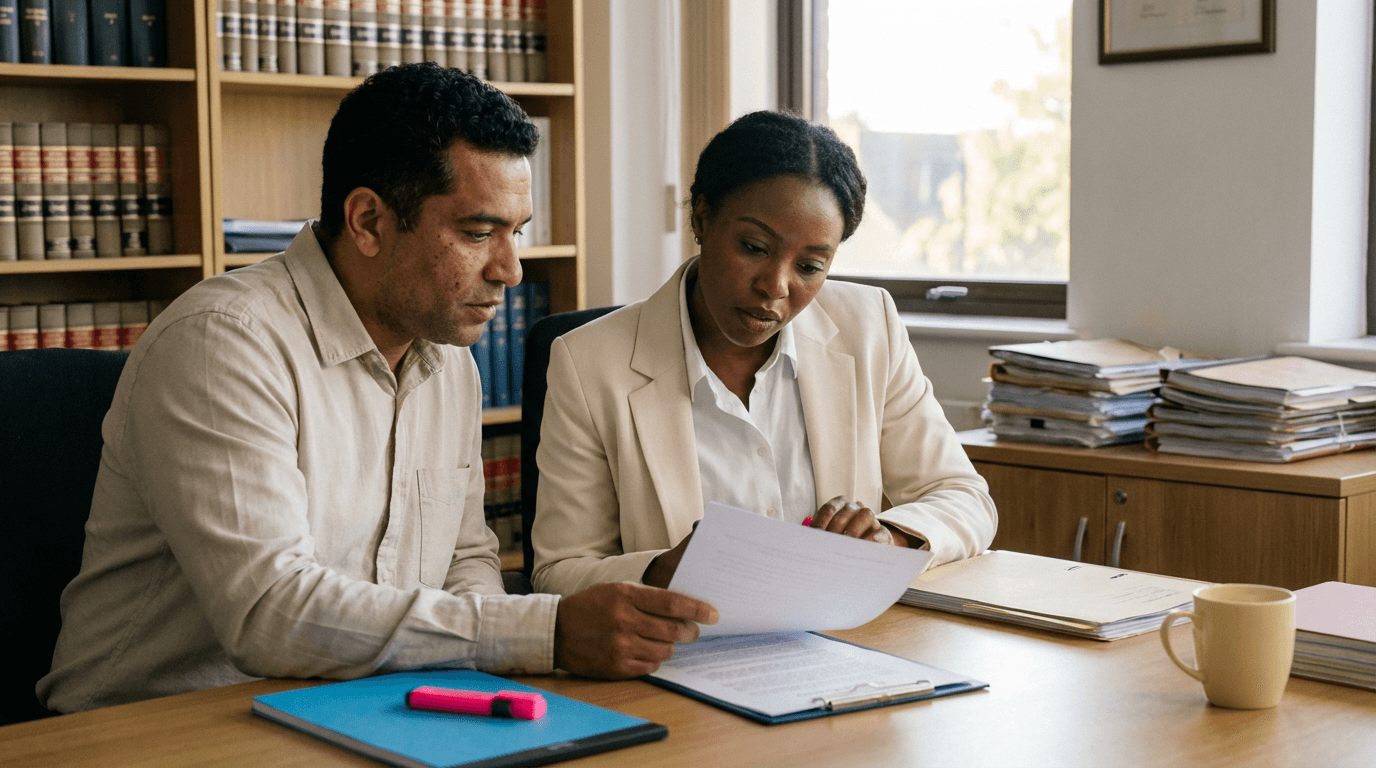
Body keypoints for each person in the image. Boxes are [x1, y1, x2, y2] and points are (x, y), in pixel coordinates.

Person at [38, 64, 715, 714]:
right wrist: (546, 634)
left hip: (362, 708)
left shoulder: (449, 359)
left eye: (516, 234)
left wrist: (493, 671)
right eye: (479, 232)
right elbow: (268, 610)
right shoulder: (223, 341)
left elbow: (466, 558)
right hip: (161, 727)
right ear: (367, 222)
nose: (510, 270)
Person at [531, 111, 997, 596]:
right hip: (685, 649)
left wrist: (889, 539)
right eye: (754, 247)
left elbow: (964, 498)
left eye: (811, 265)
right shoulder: (588, 363)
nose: (775, 286)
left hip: (840, 642)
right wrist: (662, 569)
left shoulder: (868, 325)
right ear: (702, 218)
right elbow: (559, 572)